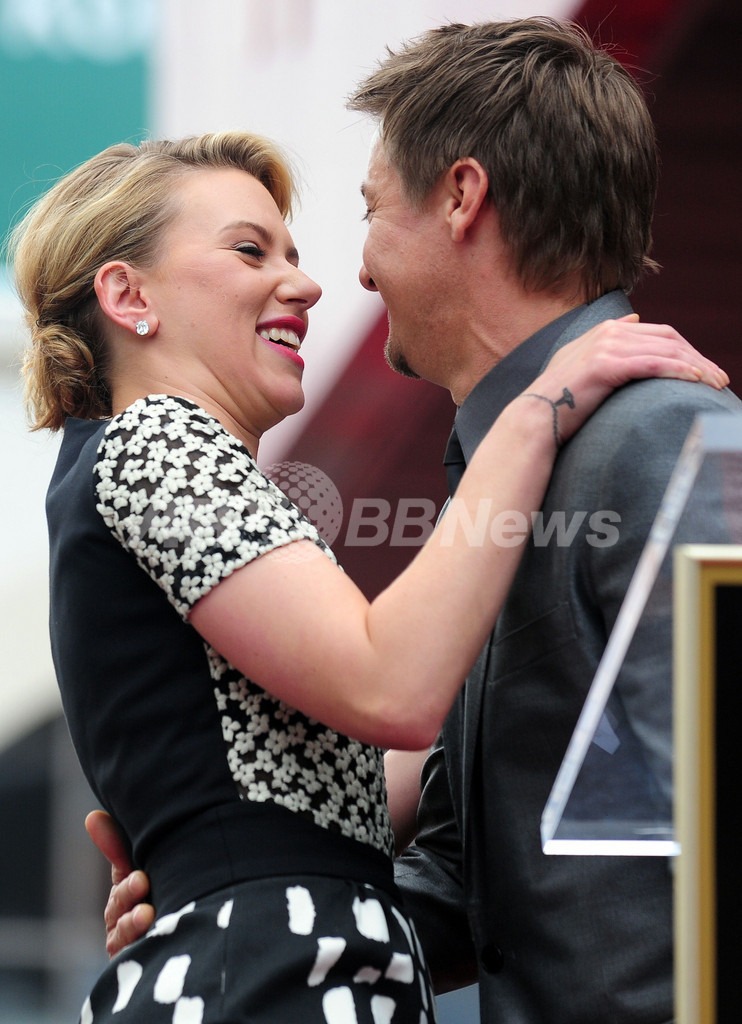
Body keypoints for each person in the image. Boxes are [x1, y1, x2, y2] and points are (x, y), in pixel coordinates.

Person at [93, 17, 742, 1024]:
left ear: (461, 197)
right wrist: (234, 903)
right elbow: (465, 884)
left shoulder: (670, 437)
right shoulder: (523, 473)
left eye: (370, 210)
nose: (354, 273)